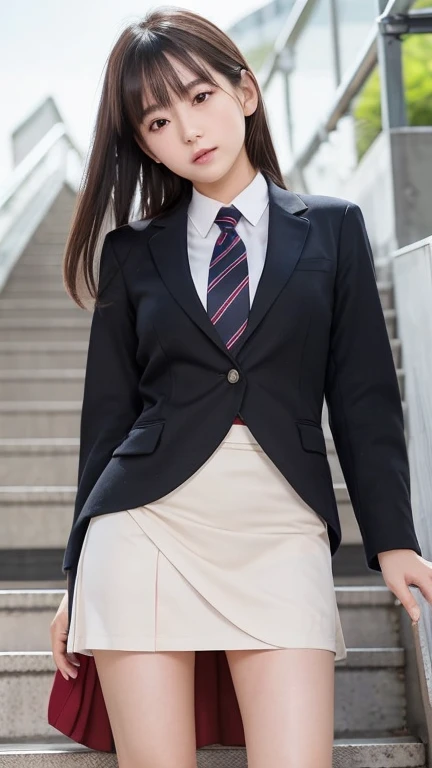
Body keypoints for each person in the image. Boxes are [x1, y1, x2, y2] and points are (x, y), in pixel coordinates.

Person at [49, 7, 431, 768]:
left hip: (279, 524)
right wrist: (73, 570)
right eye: (157, 121)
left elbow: (362, 396)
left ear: (245, 92)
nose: (187, 130)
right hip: (144, 529)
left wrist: (393, 538)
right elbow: (107, 418)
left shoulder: (333, 229)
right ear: (143, 143)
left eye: (198, 97)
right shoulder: (133, 254)